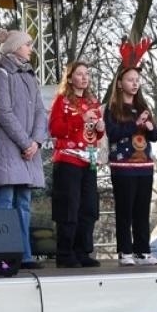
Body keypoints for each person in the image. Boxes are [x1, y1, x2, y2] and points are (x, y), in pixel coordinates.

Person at [0, 27, 49, 269]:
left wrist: (37, 141)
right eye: (27, 44)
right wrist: (26, 142)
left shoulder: (30, 75)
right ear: (14, 47)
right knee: (5, 200)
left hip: (28, 150)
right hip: (9, 148)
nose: (31, 48)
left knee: (23, 201)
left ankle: (24, 255)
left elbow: (41, 111)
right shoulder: (2, 74)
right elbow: (3, 112)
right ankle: (1, 256)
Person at [47, 60, 104, 268]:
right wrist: (81, 119)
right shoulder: (62, 101)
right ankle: (65, 253)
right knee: (69, 207)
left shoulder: (93, 102)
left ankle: (82, 251)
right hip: (68, 159)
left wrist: (100, 127)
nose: (84, 77)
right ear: (70, 78)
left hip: (89, 159)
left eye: (87, 74)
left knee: (88, 207)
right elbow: (55, 129)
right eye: (79, 74)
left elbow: (95, 134)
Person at [105, 63, 157, 266]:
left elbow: (154, 136)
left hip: (145, 166)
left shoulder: (143, 107)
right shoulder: (113, 109)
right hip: (122, 167)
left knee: (142, 211)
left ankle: (143, 251)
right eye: (130, 80)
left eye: (137, 80)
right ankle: (125, 251)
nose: (135, 84)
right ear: (120, 83)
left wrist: (150, 126)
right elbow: (114, 133)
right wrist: (135, 124)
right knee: (125, 210)